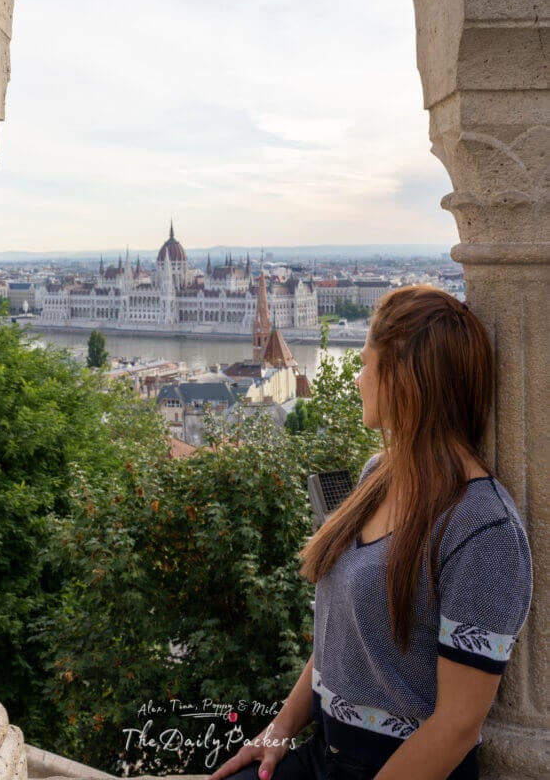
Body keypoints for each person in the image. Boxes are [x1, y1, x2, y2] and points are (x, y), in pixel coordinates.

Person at [209, 286, 532, 780]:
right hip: (325, 757)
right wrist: (277, 732)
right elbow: (339, 636)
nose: (358, 379)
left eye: (365, 364)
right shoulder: (377, 476)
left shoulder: (485, 530)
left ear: (403, 379)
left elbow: (458, 725)